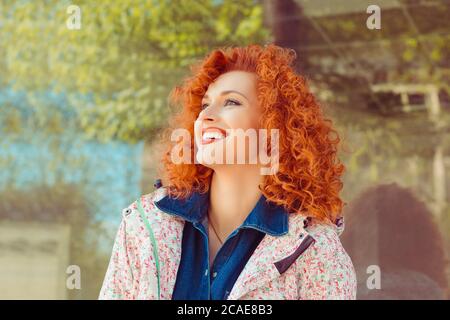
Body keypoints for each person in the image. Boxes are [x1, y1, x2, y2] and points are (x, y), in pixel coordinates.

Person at [99, 44, 356, 300]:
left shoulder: (317, 252)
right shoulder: (143, 226)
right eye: (205, 104)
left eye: (231, 102)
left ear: (273, 128)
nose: (206, 116)